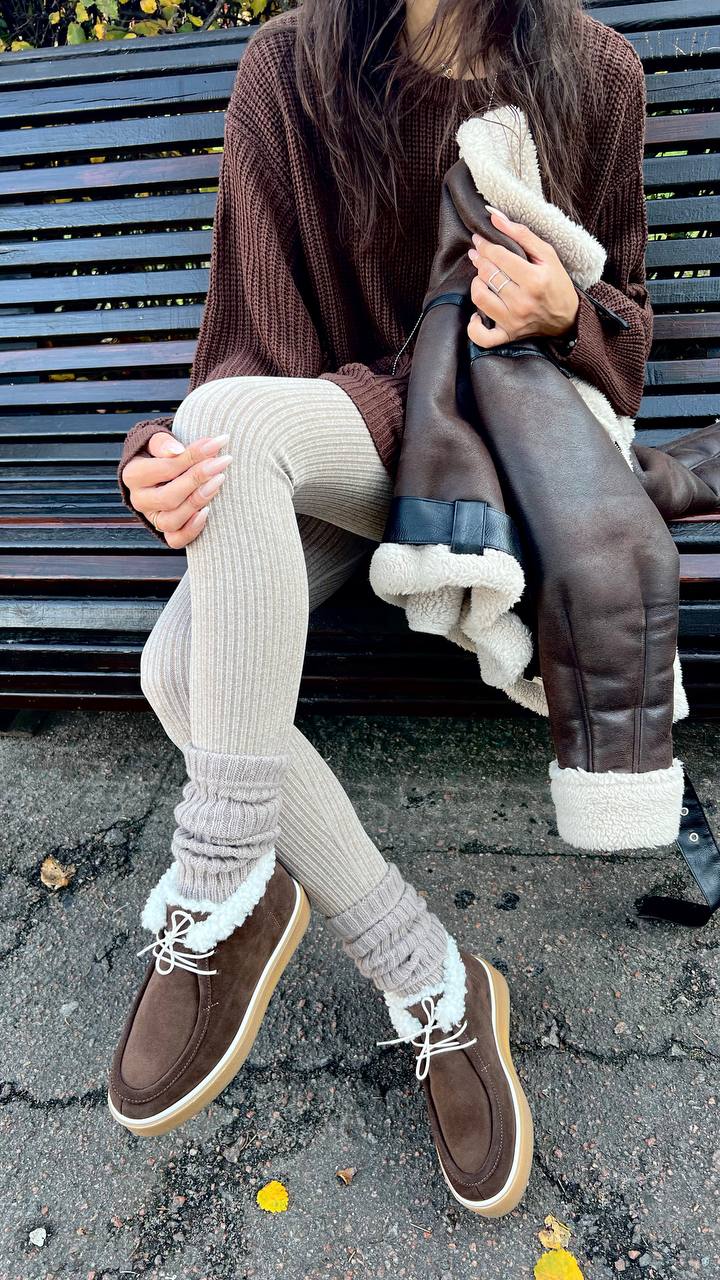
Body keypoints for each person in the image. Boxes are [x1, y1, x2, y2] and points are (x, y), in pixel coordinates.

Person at [107, 0, 651, 1218]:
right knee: (183, 619)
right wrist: (163, 459)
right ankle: (430, 977)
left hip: (486, 456)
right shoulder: (288, 67)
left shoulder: (595, 72)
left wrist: (566, 313)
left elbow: (626, 330)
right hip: (332, 447)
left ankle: (227, 882)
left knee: (184, 668)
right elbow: (244, 352)